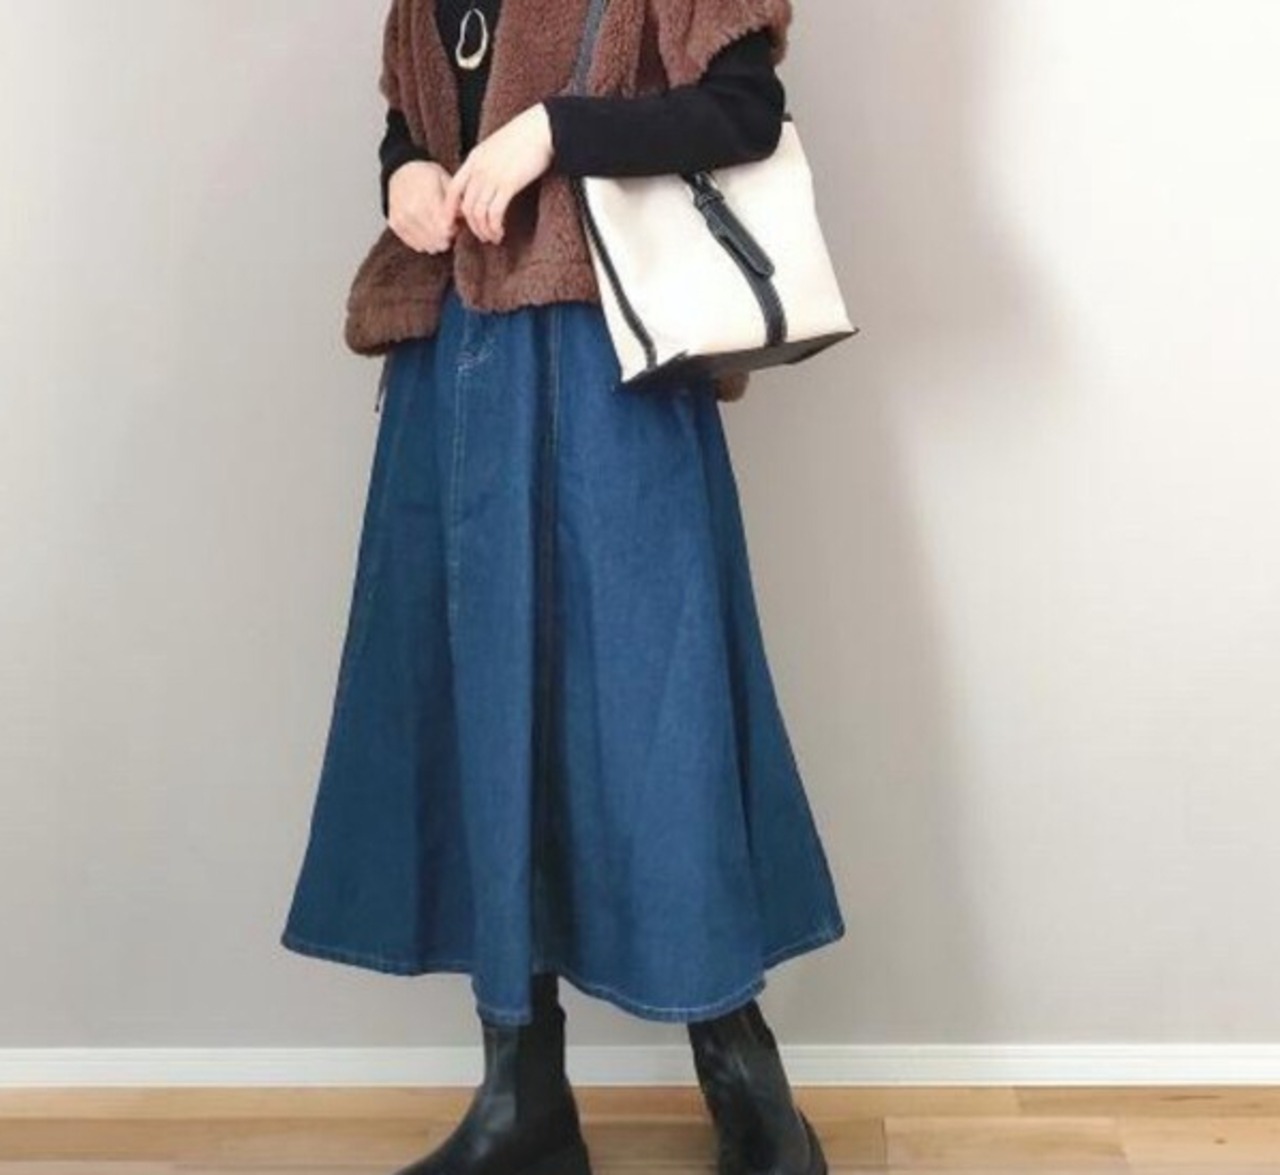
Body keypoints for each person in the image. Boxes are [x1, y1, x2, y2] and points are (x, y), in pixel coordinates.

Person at [280, 2, 844, 1173]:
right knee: (479, 717)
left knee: (658, 721)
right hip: (454, 367)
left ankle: (744, 1081)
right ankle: (520, 1090)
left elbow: (743, 111)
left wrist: (551, 130)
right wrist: (405, 173)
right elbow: (415, 116)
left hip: (608, 369)